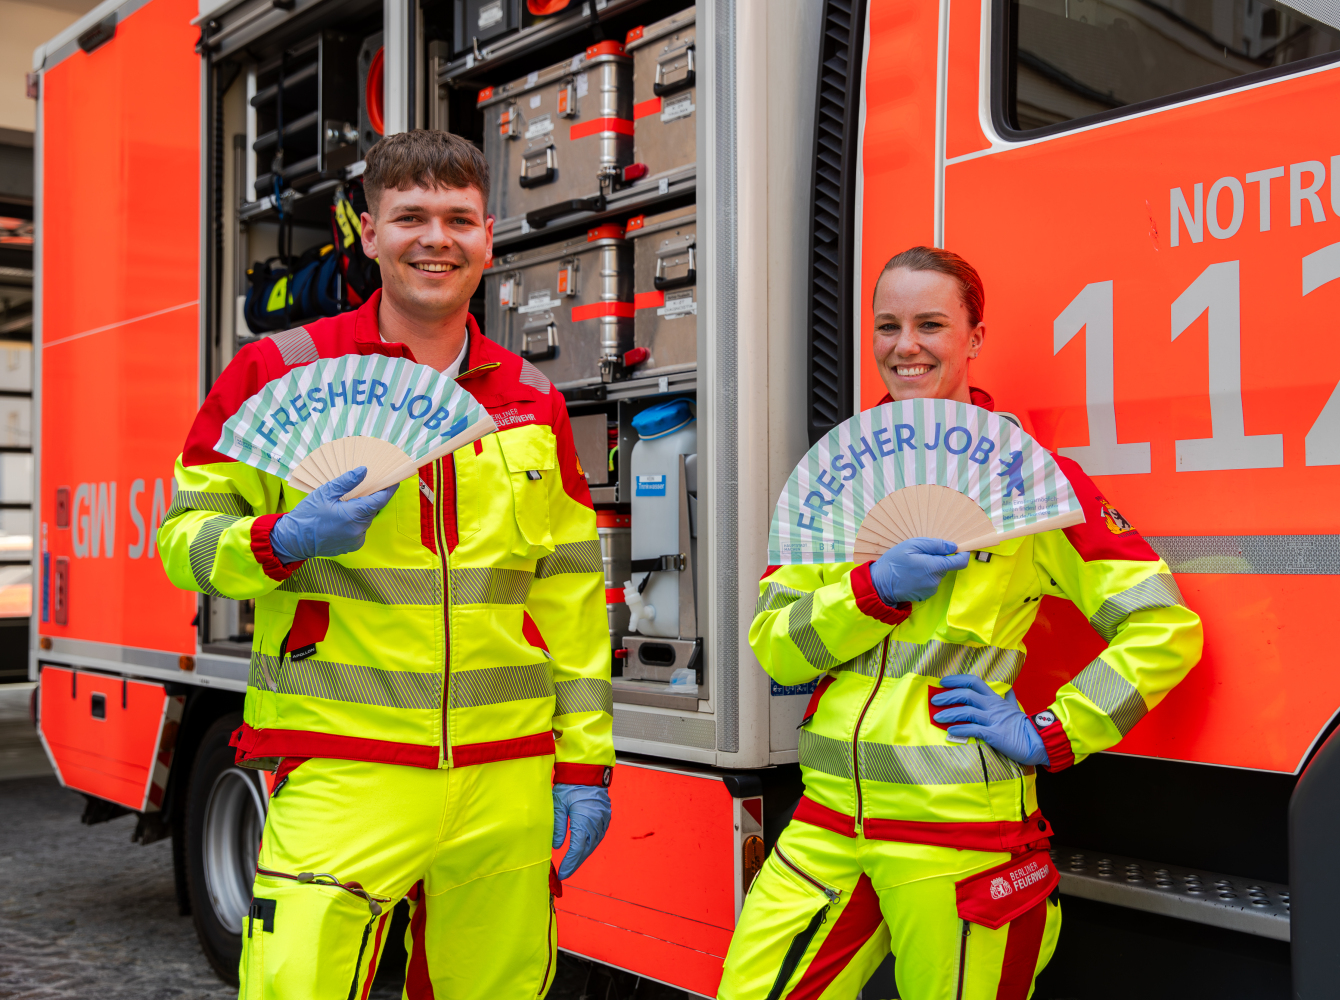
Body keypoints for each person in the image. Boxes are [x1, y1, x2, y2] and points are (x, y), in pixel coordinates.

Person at [158, 130, 614, 999]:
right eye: (410, 217)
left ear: (488, 237)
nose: (434, 239)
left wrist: (583, 767)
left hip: (505, 778)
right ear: (368, 234)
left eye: (458, 218)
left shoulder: (532, 396)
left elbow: (569, 594)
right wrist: (280, 541)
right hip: (340, 769)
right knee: (294, 986)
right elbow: (185, 540)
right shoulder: (275, 370)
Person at [719, 247, 1203, 999]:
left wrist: (1049, 730)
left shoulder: (1033, 480)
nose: (904, 346)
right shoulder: (838, 475)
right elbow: (780, 651)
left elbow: (1162, 628)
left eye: (930, 324)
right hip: (826, 825)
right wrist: (873, 588)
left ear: (975, 337)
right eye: (887, 326)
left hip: (962, 838)